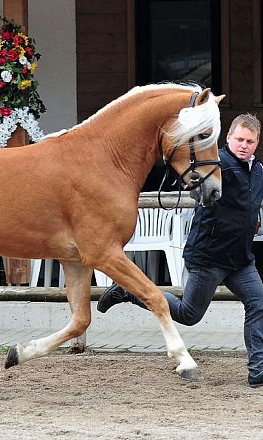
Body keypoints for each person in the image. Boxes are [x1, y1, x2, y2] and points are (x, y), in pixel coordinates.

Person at [97, 113, 263, 389]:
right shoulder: (215, 164)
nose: (244, 145)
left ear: (256, 143)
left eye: (250, 141)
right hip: (209, 256)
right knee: (189, 314)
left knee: (259, 303)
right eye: (239, 140)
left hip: (241, 260)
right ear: (229, 138)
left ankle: (258, 370)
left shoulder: (257, 172)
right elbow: (194, 179)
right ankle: (130, 290)